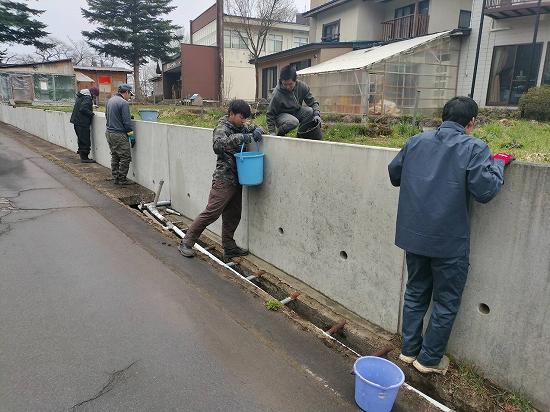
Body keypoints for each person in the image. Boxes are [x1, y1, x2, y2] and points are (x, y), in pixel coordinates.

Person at [388, 96, 514, 375]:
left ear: (443, 117)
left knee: (415, 292)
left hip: (414, 237)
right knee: (445, 302)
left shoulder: (415, 142)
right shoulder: (475, 147)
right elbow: (485, 190)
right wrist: (499, 164)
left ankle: (409, 350)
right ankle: (429, 360)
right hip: (449, 242)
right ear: (472, 122)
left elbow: (394, 174)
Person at [178, 99, 263, 261]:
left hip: (239, 178)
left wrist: (258, 130)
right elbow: (218, 146)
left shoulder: (240, 126)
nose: (244, 121)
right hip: (224, 178)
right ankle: (186, 242)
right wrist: (241, 137)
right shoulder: (222, 127)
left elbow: (255, 127)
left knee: (233, 214)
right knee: (212, 212)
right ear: (231, 114)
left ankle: (229, 247)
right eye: (241, 117)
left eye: (245, 118)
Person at [266, 65, 321, 138]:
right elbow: (270, 114)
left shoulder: (302, 87)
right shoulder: (277, 93)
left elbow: (313, 102)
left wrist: (316, 114)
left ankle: (300, 135)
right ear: (281, 81)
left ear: (296, 80)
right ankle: (281, 133)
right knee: (293, 122)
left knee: (310, 111)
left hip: (296, 112)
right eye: (285, 84)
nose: (288, 87)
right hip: (281, 116)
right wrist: (272, 132)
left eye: (290, 84)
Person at [105, 84, 135, 185]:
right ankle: (122, 179)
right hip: (119, 134)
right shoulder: (123, 103)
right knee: (125, 157)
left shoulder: (110, 100)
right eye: (130, 94)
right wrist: (132, 137)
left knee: (115, 155)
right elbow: (127, 123)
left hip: (109, 133)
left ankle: (115, 177)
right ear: (126, 92)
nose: (129, 97)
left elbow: (107, 115)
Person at [70, 86, 99, 163]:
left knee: (81, 139)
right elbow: (83, 109)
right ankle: (84, 158)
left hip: (77, 121)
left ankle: (82, 154)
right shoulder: (87, 98)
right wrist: (91, 114)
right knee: (85, 140)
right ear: (93, 93)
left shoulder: (82, 96)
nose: (94, 97)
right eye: (95, 96)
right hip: (82, 122)